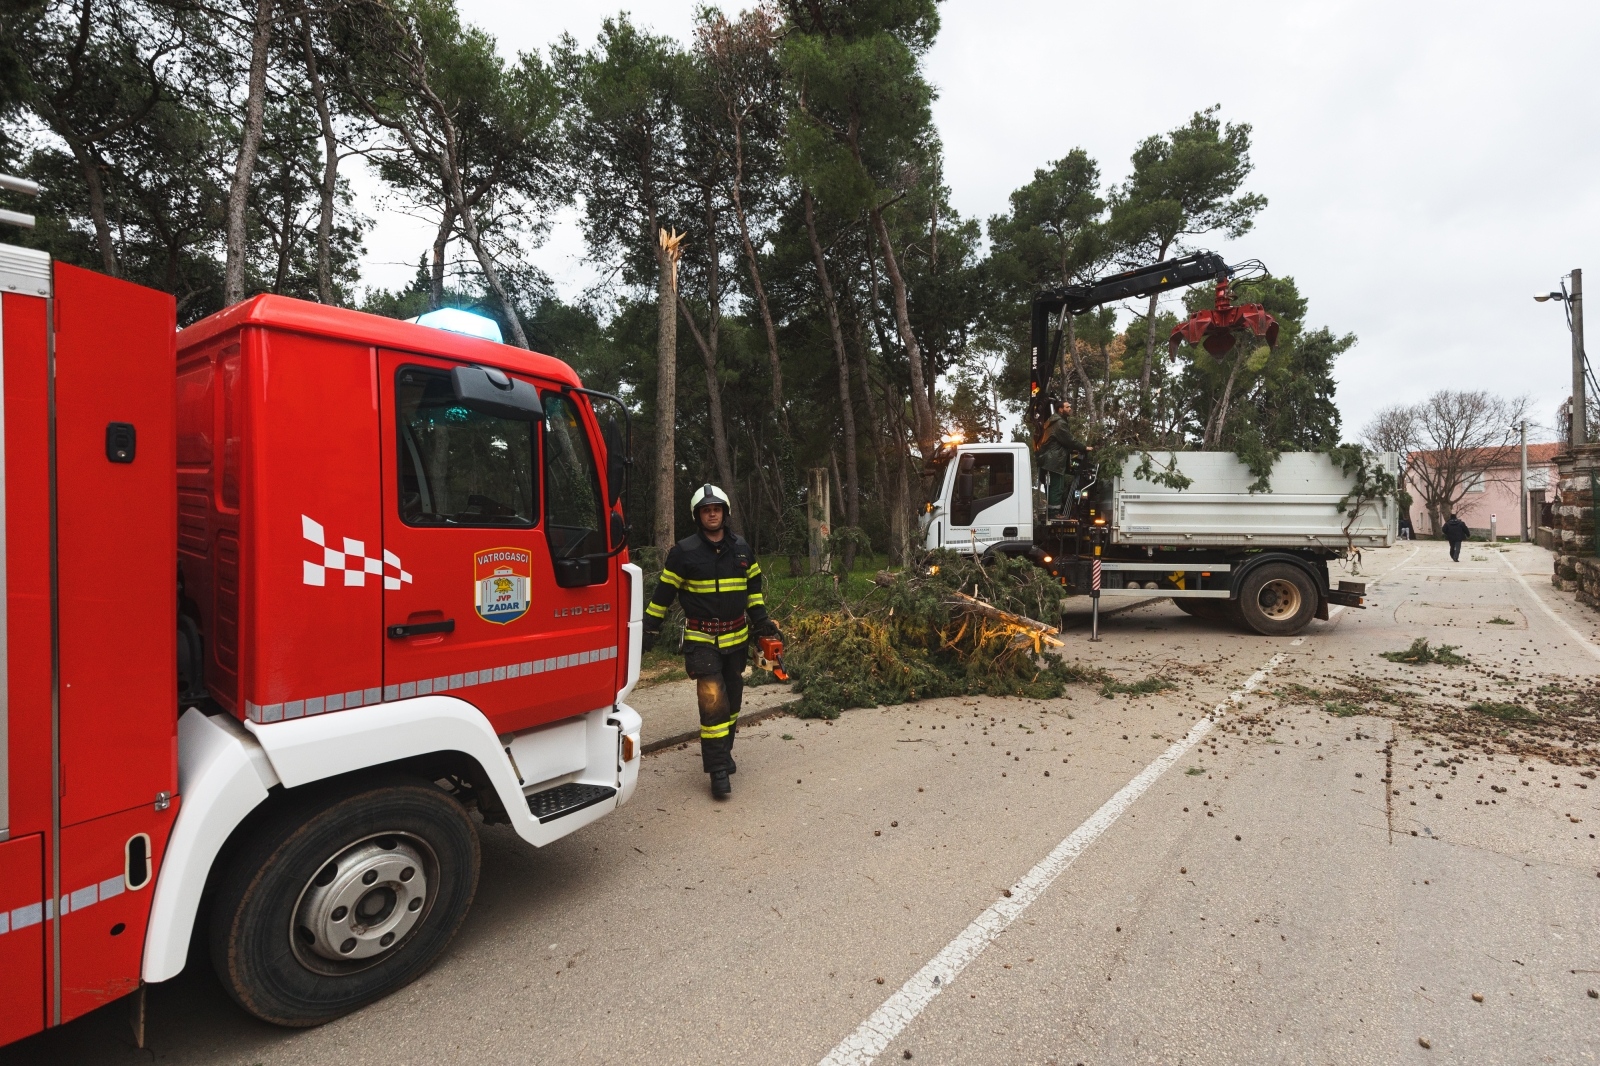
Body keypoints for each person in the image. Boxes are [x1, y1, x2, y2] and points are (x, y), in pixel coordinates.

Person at [641, 485, 779, 799]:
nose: (712, 513)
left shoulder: (742, 548)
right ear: (697, 515)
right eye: (706, 509)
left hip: (737, 639)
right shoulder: (683, 552)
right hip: (702, 640)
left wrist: (763, 623)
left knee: (732, 701)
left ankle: (723, 751)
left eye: (717, 508)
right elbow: (663, 595)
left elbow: (753, 592)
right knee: (713, 701)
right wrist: (649, 628)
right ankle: (717, 771)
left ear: (725, 512)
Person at [1034, 399, 1079, 520]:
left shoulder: (1052, 422)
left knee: (1052, 486)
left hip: (1047, 459)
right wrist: (1084, 447)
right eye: (1067, 407)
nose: (1070, 408)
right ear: (1060, 409)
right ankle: (1054, 514)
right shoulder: (1060, 423)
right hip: (1055, 460)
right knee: (1057, 486)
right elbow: (1069, 440)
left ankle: (1051, 511)